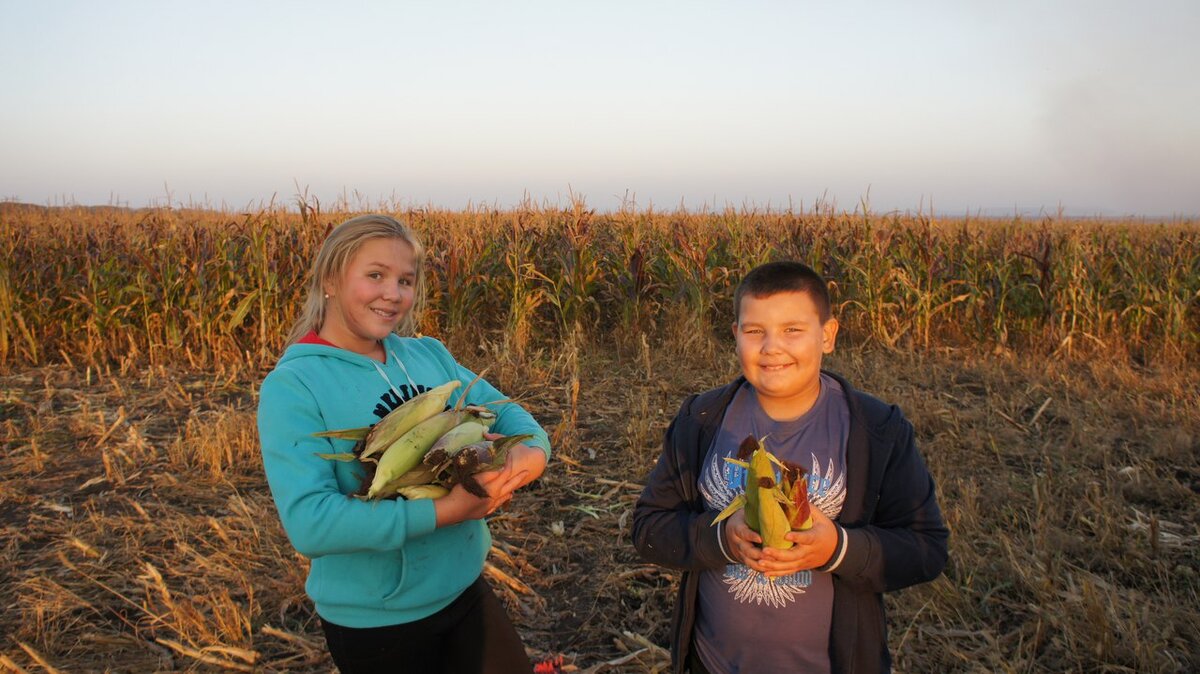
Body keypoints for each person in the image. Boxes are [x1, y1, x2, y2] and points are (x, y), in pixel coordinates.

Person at [257, 214, 550, 674]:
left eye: (405, 280)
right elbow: (311, 524)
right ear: (330, 279)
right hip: (377, 622)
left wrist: (531, 453)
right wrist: (445, 511)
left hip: (463, 587)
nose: (393, 294)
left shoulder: (428, 355)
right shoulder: (295, 385)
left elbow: (508, 411)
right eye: (375, 275)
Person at [631, 260, 948, 674]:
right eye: (754, 331)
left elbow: (927, 549)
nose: (772, 347)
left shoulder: (876, 432)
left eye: (793, 330)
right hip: (712, 663)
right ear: (735, 336)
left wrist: (836, 547)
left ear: (828, 335)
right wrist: (723, 538)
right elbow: (649, 528)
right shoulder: (702, 420)